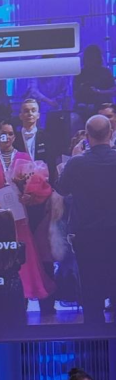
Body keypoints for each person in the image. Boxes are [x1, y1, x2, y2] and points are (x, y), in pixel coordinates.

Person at [0, 120, 55, 309]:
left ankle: (24, 293)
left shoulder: (23, 157)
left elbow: (36, 184)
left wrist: (29, 197)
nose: (6, 137)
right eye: (3, 133)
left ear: (14, 136)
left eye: (10, 133)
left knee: (23, 254)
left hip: (20, 216)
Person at [55, 113, 116, 325]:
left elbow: (61, 189)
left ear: (87, 136)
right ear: (110, 133)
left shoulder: (77, 163)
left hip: (86, 236)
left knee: (91, 290)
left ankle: (94, 336)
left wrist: (74, 157)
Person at [73, 44, 116, 120]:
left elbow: (113, 91)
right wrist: (82, 89)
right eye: (88, 58)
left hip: (103, 107)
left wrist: (98, 91)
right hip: (83, 109)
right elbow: (74, 95)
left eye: (92, 58)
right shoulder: (79, 73)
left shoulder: (106, 72)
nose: (90, 61)